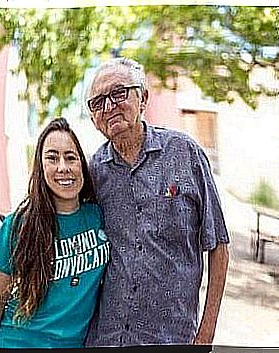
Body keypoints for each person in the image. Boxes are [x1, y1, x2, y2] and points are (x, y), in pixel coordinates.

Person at [83, 57, 230, 346]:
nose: (109, 106)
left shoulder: (185, 153)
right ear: (93, 119)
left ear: (143, 98)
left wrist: (205, 336)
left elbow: (219, 248)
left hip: (170, 338)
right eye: (98, 102)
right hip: (106, 338)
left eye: (118, 93)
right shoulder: (94, 172)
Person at [0, 117, 111, 348]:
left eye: (71, 157)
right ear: (41, 166)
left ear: (82, 164)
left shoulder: (99, 217)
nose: (62, 167)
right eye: (52, 158)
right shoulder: (20, 224)